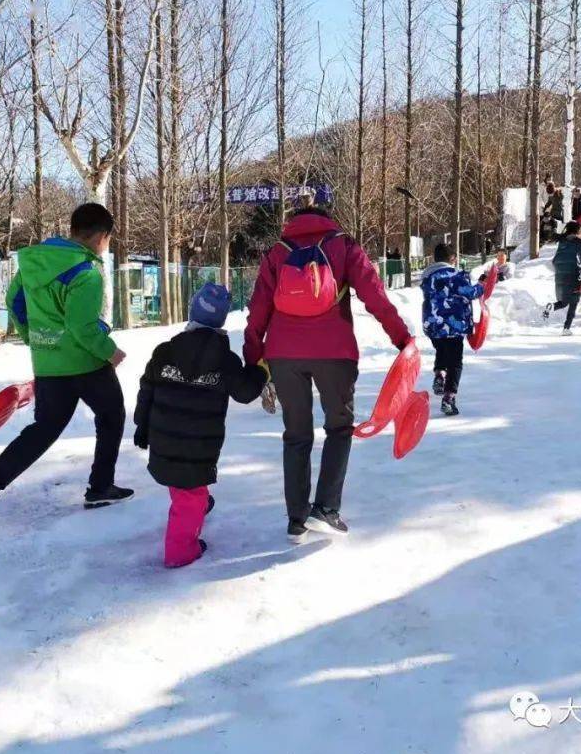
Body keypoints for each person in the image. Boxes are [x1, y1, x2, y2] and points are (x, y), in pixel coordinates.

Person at [244, 204, 412, 543]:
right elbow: (375, 296)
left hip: (284, 354)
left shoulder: (277, 252)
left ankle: (296, 520)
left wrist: (254, 357)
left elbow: (258, 309)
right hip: (335, 353)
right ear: (327, 218)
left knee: (296, 435)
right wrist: (401, 338)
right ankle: (326, 508)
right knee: (338, 428)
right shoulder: (343, 245)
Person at [0, 203, 132, 529]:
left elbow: (15, 304)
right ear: (101, 236)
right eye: (108, 239)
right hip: (86, 363)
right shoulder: (86, 272)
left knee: (45, 429)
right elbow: (82, 327)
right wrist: (109, 351)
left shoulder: (33, 263)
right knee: (112, 416)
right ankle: (100, 487)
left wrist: (35, 339)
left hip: (48, 363)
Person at [133, 283, 267, 568]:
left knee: (182, 486)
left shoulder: (164, 352)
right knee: (189, 497)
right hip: (198, 449)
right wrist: (261, 371)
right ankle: (180, 553)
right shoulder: (225, 360)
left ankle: (196, 506)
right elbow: (245, 392)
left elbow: (146, 393)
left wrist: (141, 428)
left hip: (164, 442)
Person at [421, 243, 484, 416]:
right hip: (454, 326)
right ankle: (449, 398)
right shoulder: (456, 275)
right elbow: (470, 293)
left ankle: (440, 375)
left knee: (441, 350)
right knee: (455, 361)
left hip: (433, 325)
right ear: (453, 258)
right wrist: (482, 285)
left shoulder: (427, 277)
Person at [543, 221, 581, 335]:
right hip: (572, 274)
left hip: (559, 274)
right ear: (576, 230)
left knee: (563, 302)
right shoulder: (577, 241)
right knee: (574, 301)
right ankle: (566, 328)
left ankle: (552, 306)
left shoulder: (562, 240)